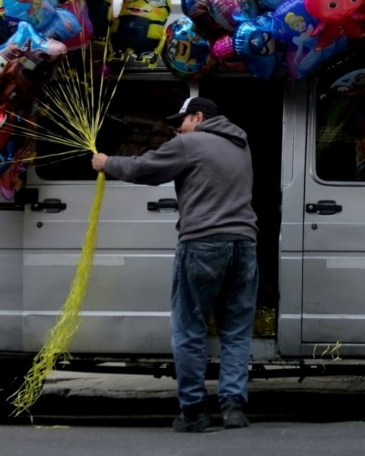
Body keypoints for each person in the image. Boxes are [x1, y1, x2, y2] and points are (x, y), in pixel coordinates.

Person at [91, 96, 258, 433]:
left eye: (181, 122)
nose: (177, 129)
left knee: (190, 328)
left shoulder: (191, 144)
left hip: (203, 243)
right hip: (245, 244)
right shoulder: (241, 145)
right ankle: (233, 408)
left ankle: (195, 411)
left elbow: (144, 169)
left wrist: (106, 162)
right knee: (236, 330)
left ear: (198, 117)